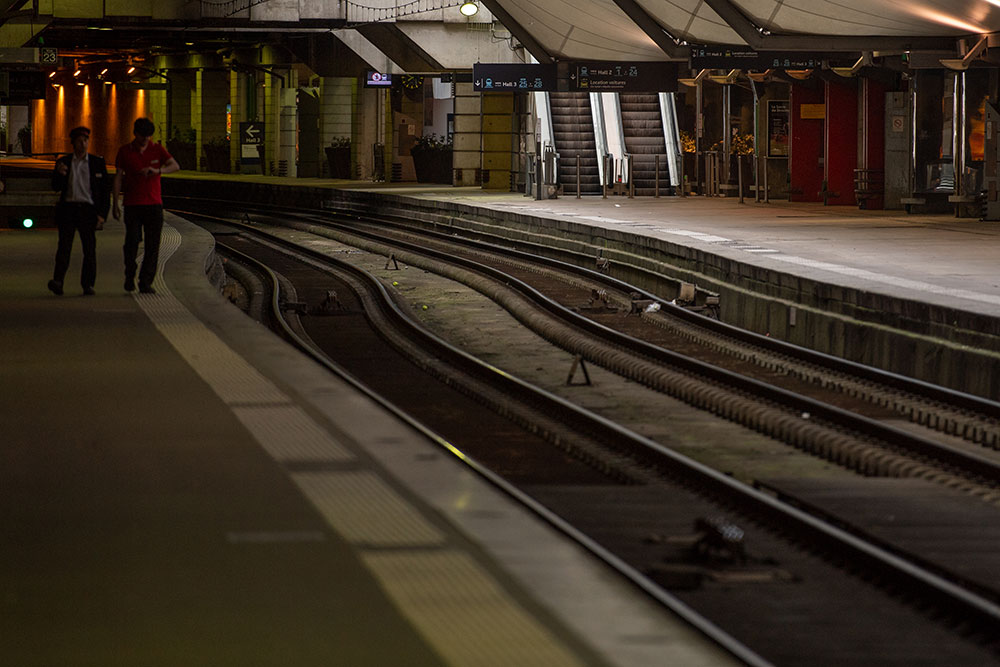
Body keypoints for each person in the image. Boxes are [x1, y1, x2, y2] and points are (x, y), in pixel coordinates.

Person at [112, 117, 180, 294]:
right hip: (132, 204)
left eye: (148, 136)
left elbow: (175, 165)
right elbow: (118, 177)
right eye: (142, 136)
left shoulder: (156, 149)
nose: (145, 140)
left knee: (153, 245)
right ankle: (130, 272)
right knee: (132, 240)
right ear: (135, 134)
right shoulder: (125, 151)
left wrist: (157, 171)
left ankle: (146, 281)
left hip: (154, 204)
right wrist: (115, 203)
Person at [48, 126, 110, 296]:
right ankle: (58, 281)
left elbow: (105, 192)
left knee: (89, 249)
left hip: (88, 210)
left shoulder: (97, 163)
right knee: (64, 247)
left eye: (85, 141)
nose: (83, 144)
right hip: (68, 209)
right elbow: (55, 187)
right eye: (79, 141)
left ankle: (87, 284)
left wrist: (102, 215)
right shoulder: (64, 162)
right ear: (73, 143)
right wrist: (59, 174)